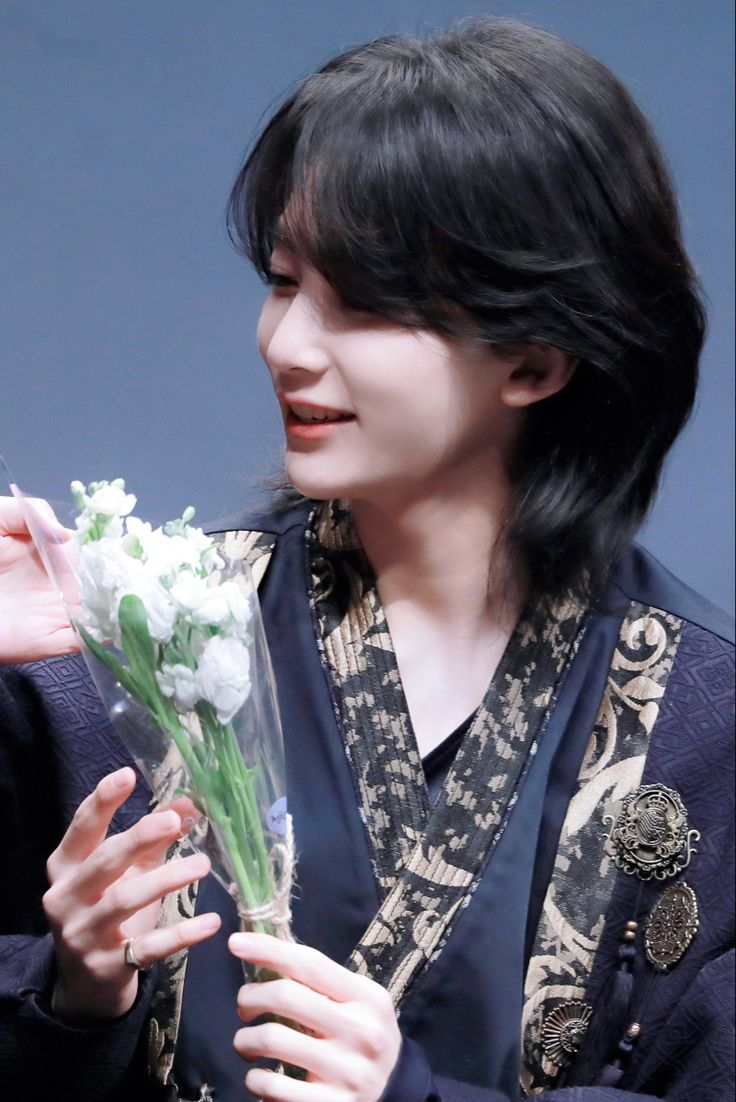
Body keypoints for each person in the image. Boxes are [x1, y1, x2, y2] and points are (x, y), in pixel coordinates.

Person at [0, 17, 733, 1102]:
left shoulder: (701, 722)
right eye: (286, 280)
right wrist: (73, 995)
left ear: (533, 358)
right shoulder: (132, 643)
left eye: (366, 303)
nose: (288, 344)